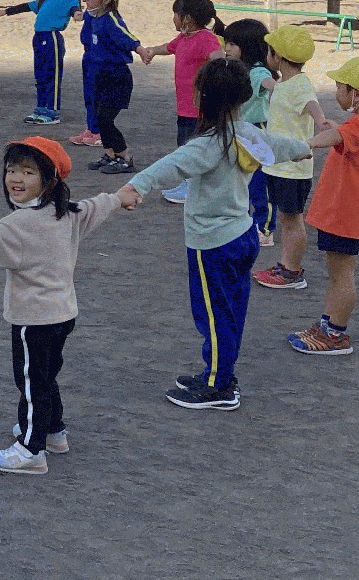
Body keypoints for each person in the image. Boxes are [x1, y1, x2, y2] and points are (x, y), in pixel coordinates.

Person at [115, 58, 312, 409]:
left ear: (201, 98)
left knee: (214, 315)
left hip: (213, 243)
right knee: (230, 311)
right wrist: (303, 148)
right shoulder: (247, 132)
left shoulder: (209, 143)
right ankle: (219, 373)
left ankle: (218, 385)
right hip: (243, 235)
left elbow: (171, 166)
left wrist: (135, 185)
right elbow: (280, 145)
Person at [0, 136, 119, 474]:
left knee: (31, 383)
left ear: (49, 179)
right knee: (46, 376)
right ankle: (53, 431)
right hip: (63, 314)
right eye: (12, 170)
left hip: (33, 320)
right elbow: (94, 206)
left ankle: (30, 449)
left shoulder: (19, 224)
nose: (16, 178)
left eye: (28, 172)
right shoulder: (67, 213)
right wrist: (119, 198)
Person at [290, 55, 359, 357]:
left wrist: (308, 144)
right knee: (337, 273)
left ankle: (335, 334)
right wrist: (334, 130)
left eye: (339, 87)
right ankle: (328, 325)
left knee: (341, 274)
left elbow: (340, 135)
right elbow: (344, 135)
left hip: (347, 214)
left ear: (356, 94)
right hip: (347, 214)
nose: (336, 92)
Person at [251, 26, 328, 293]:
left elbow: (311, 104)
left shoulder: (299, 85)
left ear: (279, 56)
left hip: (292, 169)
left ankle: (291, 271)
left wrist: (321, 121)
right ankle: (285, 265)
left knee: (292, 219)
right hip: (279, 165)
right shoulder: (285, 83)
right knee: (286, 219)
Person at [136, 0, 227, 204]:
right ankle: (189, 183)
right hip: (185, 106)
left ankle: (193, 187)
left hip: (199, 108)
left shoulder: (205, 38)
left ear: (187, 18)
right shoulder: (184, 38)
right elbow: (168, 47)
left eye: (175, 14)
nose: (173, 19)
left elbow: (218, 58)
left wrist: (211, 77)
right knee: (184, 143)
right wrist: (152, 51)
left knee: (192, 147)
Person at [76, 0, 140, 174]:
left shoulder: (110, 19)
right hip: (100, 75)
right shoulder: (95, 18)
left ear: (106, 0)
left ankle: (125, 156)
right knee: (98, 117)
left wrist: (139, 48)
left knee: (105, 118)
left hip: (116, 77)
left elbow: (126, 35)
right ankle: (110, 154)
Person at [220, 17, 277, 241]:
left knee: (260, 182)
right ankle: (243, 222)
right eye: (227, 43)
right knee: (239, 178)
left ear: (248, 46)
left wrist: (285, 92)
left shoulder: (257, 72)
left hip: (257, 130)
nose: (227, 48)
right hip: (238, 129)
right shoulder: (235, 68)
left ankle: (265, 228)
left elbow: (271, 84)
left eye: (232, 44)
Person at [4, 0, 82, 125]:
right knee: (40, 75)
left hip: (52, 38)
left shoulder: (70, 0)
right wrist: (5, 12)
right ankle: (41, 107)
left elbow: (75, 9)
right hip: (38, 38)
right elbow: (26, 6)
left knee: (52, 75)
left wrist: (77, 14)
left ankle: (52, 111)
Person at [67, 0, 108, 147]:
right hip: (89, 56)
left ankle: (99, 131)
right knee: (89, 95)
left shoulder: (103, 13)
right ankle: (91, 128)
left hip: (99, 59)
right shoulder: (90, 10)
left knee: (98, 96)